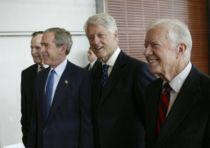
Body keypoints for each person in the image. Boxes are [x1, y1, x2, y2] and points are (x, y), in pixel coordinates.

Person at [84, 13, 155, 148]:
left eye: (100, 35)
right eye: (91, 38)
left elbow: (152, 119)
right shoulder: (93, 72)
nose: (95, 42)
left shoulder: (138, 70)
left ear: (115, 35)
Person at [144, 19, 210, 148]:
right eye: (146, 46)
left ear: (180, 49)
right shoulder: (151, 90)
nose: (146, 52)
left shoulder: (207, 92)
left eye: (154, 45)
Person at [27, 27, 93, 148]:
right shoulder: (40, 77)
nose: (41, 50)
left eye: (46, 45)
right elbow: (34, 121)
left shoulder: (82, 77)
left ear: (62, 48)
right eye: (41, 45)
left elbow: (86, 124)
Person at [20, 31, 44, 147]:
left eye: (37, 48)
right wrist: (26, 138)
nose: (33, 52)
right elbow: (25, 112)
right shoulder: (26, 74)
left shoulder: (63, 73)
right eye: (31, 48)